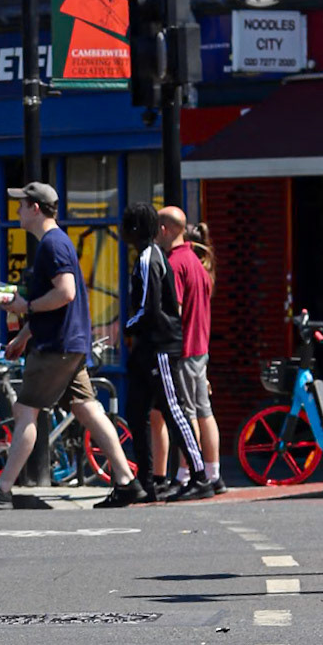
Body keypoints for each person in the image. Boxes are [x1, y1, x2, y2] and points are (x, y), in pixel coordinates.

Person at [0, 181, 143, 510]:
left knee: (24, 410)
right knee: (87, 409)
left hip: (56, 347)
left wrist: (25, 307)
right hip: (67, 343)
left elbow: (66, 293)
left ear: (35, 209)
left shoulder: (52, 244)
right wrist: (23, 335)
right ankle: (126, 481)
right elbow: (60, 303)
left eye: (21, 206)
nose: (16, 211)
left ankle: (2, 489)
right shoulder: (55, 242)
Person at [120, 202, 210, 502]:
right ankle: (145, 481)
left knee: (174, 410)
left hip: (160, 345)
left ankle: (200, 476)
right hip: (150, 346)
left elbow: (148, 306)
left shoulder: (148, 258)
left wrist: (125, 327)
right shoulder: (154, 256)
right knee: (137, 411)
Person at [155, 205, 224, 495]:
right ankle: (212, 473)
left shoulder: (174, 263)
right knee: (203, 412)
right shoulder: (196, 262)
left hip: (183, 349)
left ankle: (189, 476)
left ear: (163, 230)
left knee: (186, 414)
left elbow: (175, 310)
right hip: (200, 348)